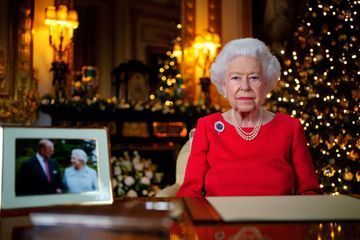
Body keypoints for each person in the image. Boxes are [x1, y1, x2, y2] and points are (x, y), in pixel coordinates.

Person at [176, 38, 323, 197]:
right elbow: (190, 193)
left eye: (254, 78)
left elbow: (310, 192)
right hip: (220, 220)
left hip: (277, 219)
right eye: (235, 78)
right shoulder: (207, 126)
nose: (245, 87)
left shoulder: (290, 127)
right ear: (224, 85)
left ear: (266, 84)